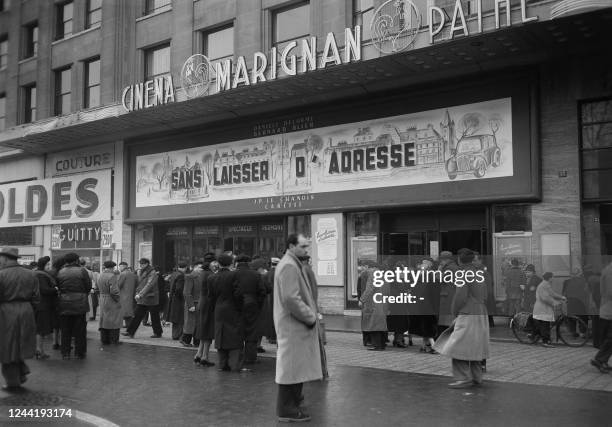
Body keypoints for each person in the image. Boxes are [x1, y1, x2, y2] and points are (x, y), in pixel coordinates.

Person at [274, 234, 322, 423]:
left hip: (294, 325)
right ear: (291, 246)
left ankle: (292, 405)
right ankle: (287, 409)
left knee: (295, 368)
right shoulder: (289, 265)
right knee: (291, 368)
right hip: (293, 326)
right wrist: (310, 317)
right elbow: (290, 298)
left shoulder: (291, 263)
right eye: (303, 246)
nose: (306, 249)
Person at [434, 249, 489, 389]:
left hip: (467, 311)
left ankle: (463, 378)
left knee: (457, 345)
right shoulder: (479, 272)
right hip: (481, 311)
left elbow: (460, 296)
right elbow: (486, 293)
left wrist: (455, 312)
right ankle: (477, 377)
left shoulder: (462, 273)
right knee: (475, 345)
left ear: (459, 259)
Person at [0, 247, 40, 391]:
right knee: (20, 345)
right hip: (26, 311)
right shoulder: (31, 274)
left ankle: (13, 382)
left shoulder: (1, 274)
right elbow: (37, 299)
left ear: (5, 258)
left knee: (6, 347)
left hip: (6, 313)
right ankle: (21, 373)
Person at [208, 254, 244, 372]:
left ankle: (222, 364)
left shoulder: (212, 277)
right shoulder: (235, 275)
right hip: (233, 308)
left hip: (218, 309)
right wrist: (240, 307)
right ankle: (234, 364)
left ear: (218, 263)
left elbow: (211, 297)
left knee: (220, 335)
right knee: (234, 335)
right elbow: (238, 294)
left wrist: (215, 307)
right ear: (231, 263)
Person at [57, 252, 92, 360]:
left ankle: (65, 352)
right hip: (80, 303)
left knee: (65, 329)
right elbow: (88, 286)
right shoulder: (82, 271)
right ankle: (79, 352)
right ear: (76, 260)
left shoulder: (61, 271)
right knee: (80, 330)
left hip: (64, 303)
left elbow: (58, 285)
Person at [234, 255, 266, 365]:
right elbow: (262, 291)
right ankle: (251, 357)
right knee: (252, 332)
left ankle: (238, 356)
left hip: (236, 306)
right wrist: (258, 303)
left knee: (238, 331)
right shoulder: (256, 274)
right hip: (252, 305)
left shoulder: (233, 274)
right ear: (249, 262)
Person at [123, 258, 162, 339]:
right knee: (137, 315)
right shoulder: (140, 271)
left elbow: (149, 284)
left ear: (147, 264)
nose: (140, 265)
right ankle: (130, 332)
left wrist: (140, 294)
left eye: (142, 263)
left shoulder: (152, 272)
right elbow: (139, 284)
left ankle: (157, 332)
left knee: (154, 316)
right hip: (143, 297)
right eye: (140, 263)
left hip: (151, 297)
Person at [409, 257, 438, 354]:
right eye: (422, 263)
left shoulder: (430, 275)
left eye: (425, 263)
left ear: (430, 265)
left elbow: (432, 291)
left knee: (427, 325)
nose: (422, 265)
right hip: (422, 303)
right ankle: (424, 345)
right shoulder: (421, 275)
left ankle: (433, 346)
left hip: (427, 304)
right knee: (424, 324)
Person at [532, 272, 566, 347]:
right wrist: (555, 303)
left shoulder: (546, 284)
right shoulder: (542, 285)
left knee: (545, 325)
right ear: (549, 278)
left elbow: (552, 294)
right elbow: (545, 298)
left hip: (545, 308)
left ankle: (536, 336)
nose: (553, 278)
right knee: (545, 325)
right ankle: (545, 342)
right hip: (542, 309)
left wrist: (561, 297)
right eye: (552, 277)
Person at [32, 256, 57, 360]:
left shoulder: (36, 273)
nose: (49, 266)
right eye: (48, 264)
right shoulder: (41, 275)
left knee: (40, 328)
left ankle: (39, 350)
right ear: (43, 265)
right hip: (42, 304)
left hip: (38, 304)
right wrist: (55, 289)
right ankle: (39, 350)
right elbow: (44, 290)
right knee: (41, 329)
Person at [360, 265, 388, 351]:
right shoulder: (381, 274)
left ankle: (377, 345)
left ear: (367, 266)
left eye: (362, 267)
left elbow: (369, 289)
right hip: (381, 300)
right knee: (380, 323)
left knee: (374, 323)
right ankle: (382, 344)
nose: (361, 269)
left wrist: (362, 299)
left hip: (374, 302)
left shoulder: (372, 274)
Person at [195, 254, 216, 367]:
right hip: (208, 303)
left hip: (201, 302)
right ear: (211, 263)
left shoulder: (202, 273)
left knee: (203, 329)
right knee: (208, 330)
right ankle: (205, 356)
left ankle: (199, 354)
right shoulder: (210, 274)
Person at [591, 261, 612, 373]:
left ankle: (602, 360)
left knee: (610, 338)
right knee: (610, 338)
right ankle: (599, 359)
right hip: (609, 310)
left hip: (607, 309)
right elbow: (609, 292)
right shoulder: (609, 271)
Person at [97, 261, 122, 345]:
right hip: (111, 299)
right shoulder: (112, 276)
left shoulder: (100, 275)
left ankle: (104, 339)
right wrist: (118, 300)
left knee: (104, 319)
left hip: (102, 298)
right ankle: (114, 340)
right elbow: (114, 291)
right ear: (112, 267)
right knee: (114, 320)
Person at [563, 268, 590, 337]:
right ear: (579, 274)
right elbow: (586, 292)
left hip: (571, 302)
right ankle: (582, 333)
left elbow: (564, 293)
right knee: (583, 317)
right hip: (580, 303)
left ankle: (573, 332)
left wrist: (565, 301)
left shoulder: (566, 282)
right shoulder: (583, 281)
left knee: (572, 318)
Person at [437, 251, 459, 334]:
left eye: (441, 260)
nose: (440, 262)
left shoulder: (449, 268)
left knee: (446, 322)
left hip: (447, 296)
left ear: (445, 259)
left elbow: (439, 279)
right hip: (451, 295)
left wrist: (439, 270)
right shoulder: (454, 267)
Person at [182, 261, 203, 347]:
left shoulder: (202, 276)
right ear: (194, 267)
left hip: (199, 303)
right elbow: (186, 292)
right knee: (190, 323)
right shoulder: (190, 277)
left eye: (202, 267)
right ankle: (185, 340)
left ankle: (196, 341)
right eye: (199, 267)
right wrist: (190, 305)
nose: (201, 269)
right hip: (192, 303)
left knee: (198, 323)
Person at [167, 262, 187, 341]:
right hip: (179, 299)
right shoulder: (181, 275)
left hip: (173, 298)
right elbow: (179, 289)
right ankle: (178, 335)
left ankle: (174, 335)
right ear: (185, 267)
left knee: (175, 318)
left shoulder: (174, 274)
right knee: (180, 318)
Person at [117, 262, 137, 328]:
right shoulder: (133, 274)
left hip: (123, 295)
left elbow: (118, 285)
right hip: (131, 295)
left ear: (123, 266)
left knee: (125, 312)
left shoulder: (123, 274)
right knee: (128, 312)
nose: (119, 268)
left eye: (120, 266)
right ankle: (129, 327)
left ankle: (129, 328)